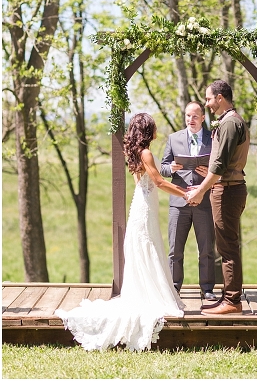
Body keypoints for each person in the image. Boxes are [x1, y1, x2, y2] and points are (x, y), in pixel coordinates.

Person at [55, 113, 187, 351]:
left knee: (147, 247)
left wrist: (171, 172)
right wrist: (185, 193)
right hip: (145, 205)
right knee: (150, 247)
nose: (157, 130)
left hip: (141, 202)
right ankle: (152, 296)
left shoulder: (137, 152)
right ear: (149, 131)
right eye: (154, 127)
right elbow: (157, 182)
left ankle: (147, 290)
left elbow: (145, 179)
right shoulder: (145, 153)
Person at [185, 80, 249, 315]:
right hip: (226, 188)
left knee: (227, 247)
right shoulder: (228, 121)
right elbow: (220, 161)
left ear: (220, 97)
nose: (207, 103)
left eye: (209, 99)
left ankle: (232, 301)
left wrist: (200, 190)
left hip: (228, 190)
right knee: (225, 244)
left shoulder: (231, 123)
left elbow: (221, 165)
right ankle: (228, 297)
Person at [160, 101, 217, 301]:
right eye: (187, 116)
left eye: (194, 116)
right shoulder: (173, 139)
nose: (190, 120)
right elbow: (162, 167)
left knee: (207, 249)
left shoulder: (213, 138)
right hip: (179, 203)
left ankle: (208, 288)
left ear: (203, 118)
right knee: (175, 249)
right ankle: (174, 288)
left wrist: (209, 171)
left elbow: (220, 166)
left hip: (204, 201)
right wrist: (171, 168)